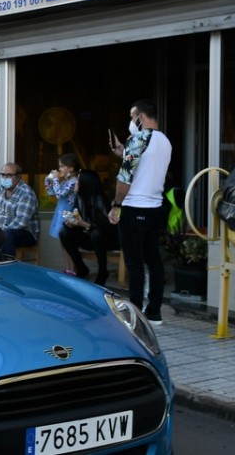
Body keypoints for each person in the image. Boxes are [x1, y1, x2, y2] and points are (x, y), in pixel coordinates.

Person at [108, 99, 173, 326]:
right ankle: (154, 312)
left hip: (134, 207)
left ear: (141, 117)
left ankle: (134, 314)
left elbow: (125, 177)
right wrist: (122, 152)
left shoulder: (138, 139)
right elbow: (146, 167)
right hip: (155, 208)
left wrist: (116, 204)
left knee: (134, 264)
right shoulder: (165, 141)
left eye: (131, 116)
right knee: (153, 260)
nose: (130, 122)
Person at [59, 169, 118, 285]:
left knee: (96, 234)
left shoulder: (100, 199)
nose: (76, 183)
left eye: (78, 181)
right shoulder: (80, 198)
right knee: (64, 232)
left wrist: (84, 224)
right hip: (90, 237)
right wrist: (71, 222)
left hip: (107, 240)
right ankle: (82, 268)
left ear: (85, 183)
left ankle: (103, 271)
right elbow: (77, 218)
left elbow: (108, 228)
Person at [44, 153, 79, 271]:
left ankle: (72, 270)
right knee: (64, 244)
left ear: (71, 168)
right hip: (62, 213)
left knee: (68, 244)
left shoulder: (73, 181)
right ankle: (67, 269)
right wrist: (48, 181)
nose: (60, 169)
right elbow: (52, 193)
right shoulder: (65, 181)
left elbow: (59, 194)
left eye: (62, 166)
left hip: (68, 214)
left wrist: (55, 179)